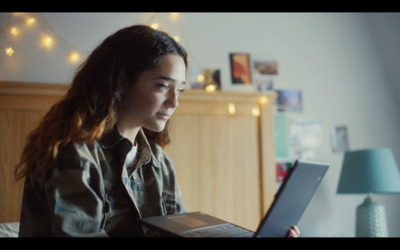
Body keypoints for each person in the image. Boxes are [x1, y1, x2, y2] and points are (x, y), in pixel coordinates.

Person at [15, 24, 299, 237]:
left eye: (180, 90)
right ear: (121, 83)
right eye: (162, 86)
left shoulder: (160, 163)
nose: (175, 102)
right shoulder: (72, 154)